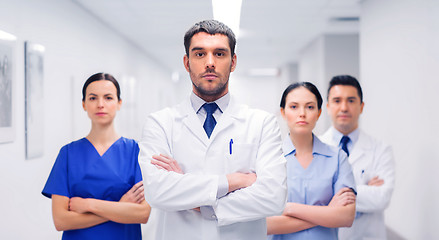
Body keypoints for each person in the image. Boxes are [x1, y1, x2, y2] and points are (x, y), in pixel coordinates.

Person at [138, 20, 287, 240]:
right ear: (187, 63)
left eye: (219, 54)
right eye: (200, 54)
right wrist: (234, 181)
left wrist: (201, 203)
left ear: (233, 62)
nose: (210, 63)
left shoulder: (262, 123)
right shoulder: (161, 123)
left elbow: (273, 197)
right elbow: (158, 192)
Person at [42, 73, 151, 240]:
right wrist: (120, 208)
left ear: (119, 103)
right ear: (84, 104)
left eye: (108, 98)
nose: (101, 105)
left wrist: (88, 205)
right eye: (93, 98)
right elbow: (61, 220)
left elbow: (142, 213)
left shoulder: (135, 151)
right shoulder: (68, 154)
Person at [267, 82, 356, 240]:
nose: (302, 113)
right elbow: (267, 224)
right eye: (294, 107)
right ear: (283, 112)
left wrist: (288, 208)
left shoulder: (337, 157)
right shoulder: (269, 158)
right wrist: (327, 213)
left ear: (319, 112)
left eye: (310, 107)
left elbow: (346, 217)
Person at [320, 75, 395, 240]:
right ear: (328, 106)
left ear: (361, 107)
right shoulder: (314, 148)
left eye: (351, 100)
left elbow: (382, 198)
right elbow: (309, 199)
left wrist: (333, 191)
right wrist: (363, 189)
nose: (344, 107)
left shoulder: (380, 149)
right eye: (337, 101)